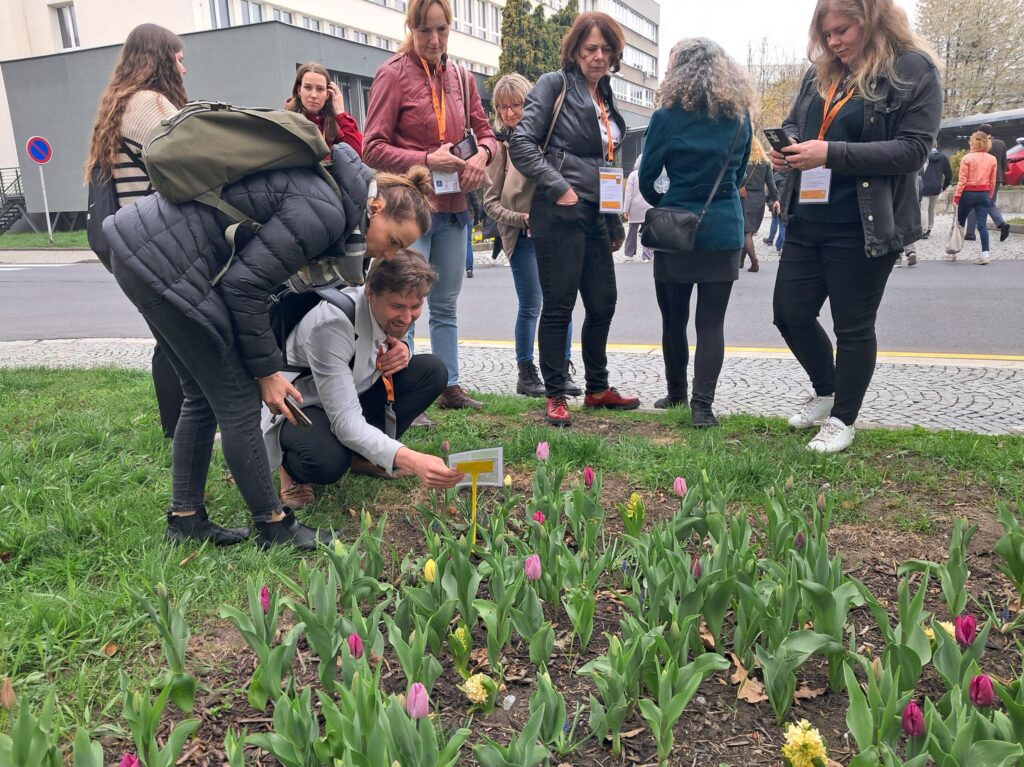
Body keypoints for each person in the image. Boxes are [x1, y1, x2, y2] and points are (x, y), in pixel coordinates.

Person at [104, 146, 432, 549]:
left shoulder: (331, 196)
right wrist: (265, 372)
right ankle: (274, 525)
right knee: (239, 399)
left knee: (200, 395)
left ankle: (186, 519)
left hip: (142, 250)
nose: (391, 254)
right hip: (164, 260)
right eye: (394, 241)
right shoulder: (327, 211)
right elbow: (244, 287)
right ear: (375, 208)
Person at [770, 0, 942, 453]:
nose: (833, 42)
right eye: (826, 34)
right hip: (807, 216)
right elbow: (795, 120)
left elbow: (913, 150)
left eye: (842, 31)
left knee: (853, 326)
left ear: (872, 21)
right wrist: (789, 147)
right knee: (789, 313)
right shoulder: (820, 71)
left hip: (864, 222)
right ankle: (827, 392)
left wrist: (830, 153)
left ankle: (843, 419)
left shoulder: (912, 68)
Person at [363, 0, 497, 414]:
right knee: (403, 304)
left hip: (454, 207)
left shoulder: (461, 77)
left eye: (442, 30)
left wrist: (482, 157)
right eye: (425, 31)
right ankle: (399, 390)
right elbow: (371, 147)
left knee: (445, 303)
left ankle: (449, 384)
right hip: (408, 212)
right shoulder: (392, 73)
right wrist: (425, 158)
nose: (435, 40)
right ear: (411, 28)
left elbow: (487, 135)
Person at [509, 11, 639, 427]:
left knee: (603, 301)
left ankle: (597, 388)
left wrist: (613, 219)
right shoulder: (554, 84)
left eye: (606, 49)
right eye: (590, 49)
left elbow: (605, 161)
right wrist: (558, 187)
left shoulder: (605, 93)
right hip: (560, 209)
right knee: (559, 304)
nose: (599, 56)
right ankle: (555, 394)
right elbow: (521, 143)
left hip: (596, 210)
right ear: (575, 50)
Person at [265, 252, 463, 508]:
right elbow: (346, 423)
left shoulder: (381, 309)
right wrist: (413, 460)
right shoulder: (331, 325)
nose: (406, 318)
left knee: (431, 371)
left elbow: (385, 337)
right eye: (397, 306)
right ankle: (292, 471)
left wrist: (403, 348)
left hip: (352, 389)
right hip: (303, 405)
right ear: (369, 292)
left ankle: (364, 457)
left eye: (415, 307)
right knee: (326, 461)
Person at [639, 37, 754, 427]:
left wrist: (670, 200)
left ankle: (676, 393)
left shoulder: (666, 117)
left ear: (679, 72)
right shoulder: (740, 117)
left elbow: (647, 179)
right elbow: (738, 174)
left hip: (675, 231)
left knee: (674, 320)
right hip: (724, 227)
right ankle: (702, 407)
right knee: (711, 324)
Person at [84, 23, 188, 440]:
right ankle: (188, 428)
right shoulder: (150, 104)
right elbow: (190, 164)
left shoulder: (120, 105)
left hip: (133, 245)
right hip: (160, 243)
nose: (184, 68)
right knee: (185, 339)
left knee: (169, 339)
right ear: (162, 59)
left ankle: (175, 430)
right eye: (179, 59)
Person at [484, 73, 581, 400]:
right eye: (503, 107)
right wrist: (522, 219)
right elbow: (490, 203)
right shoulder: (501, 147)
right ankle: (526, 372)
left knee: (561, 303)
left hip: (557, 232)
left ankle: (561, 369)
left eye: (517, 105)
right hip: (524, 236)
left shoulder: (551, 138)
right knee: (531, 305)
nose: (510, 113)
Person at [952, 130, 1011, 265]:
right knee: (982, 225)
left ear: (972, 142)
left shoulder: (967, 158)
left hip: (968, 193)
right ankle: (985, 254)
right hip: (983, 194)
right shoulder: (992, 159)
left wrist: (956, 197)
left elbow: (962, 180)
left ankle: (953, 252)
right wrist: (989, 195)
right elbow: (992, 180)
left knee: (960, 223)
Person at [285, 62, 363, 157]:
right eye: (308, 88)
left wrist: (341, 114)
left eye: (320, 89)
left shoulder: (333, 125)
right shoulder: (286, 122)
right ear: (299, 90)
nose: (314, 95)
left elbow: (359, 154)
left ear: (327, 94)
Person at [739, 140, 778, 273]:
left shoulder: (743, 161)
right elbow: (771, 184)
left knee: (746, 232)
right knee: (749, 231)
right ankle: (740, 261)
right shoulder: (765, 163)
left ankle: (754, 262)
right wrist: (776, 199)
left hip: (745, 198)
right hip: (759, 198)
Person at [965, 123, 1008, 241]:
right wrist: (1001, 177)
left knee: (973, 204)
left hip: (980, 177)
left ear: (980, 132)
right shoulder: (1001, 143)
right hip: (997, 178)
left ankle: (970, 233)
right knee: (989, 202)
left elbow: (973, 159)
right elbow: (1004, 163)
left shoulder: (978, 143)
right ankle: (1001, 224)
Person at [623, 155, 654, 261]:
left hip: (634, 208)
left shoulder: (632, 175)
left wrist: (625, 210)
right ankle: (647, 256)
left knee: (632, 231)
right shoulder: (651, 173)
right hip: (648, 206)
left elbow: (628, 194)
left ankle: (629, 254)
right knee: (647, 232)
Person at [919, 142, 952, 237]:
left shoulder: (923, 156)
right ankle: (929, 228)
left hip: (924, 186)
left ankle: (923, 230)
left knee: (923, 209)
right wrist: (944, 186)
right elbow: (949, 175)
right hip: (936, 187)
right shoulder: (943, 158)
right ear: (936, 145)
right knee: (931, 208)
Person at [763, 167, 788, 252]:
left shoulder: (777, 175)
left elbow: (770, 189)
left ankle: (777, 243)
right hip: (787, 201)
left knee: (777, 222)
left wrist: (767, 200)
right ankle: (778, 244)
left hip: (777, 201)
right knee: (782, 224)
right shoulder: (791, 175)